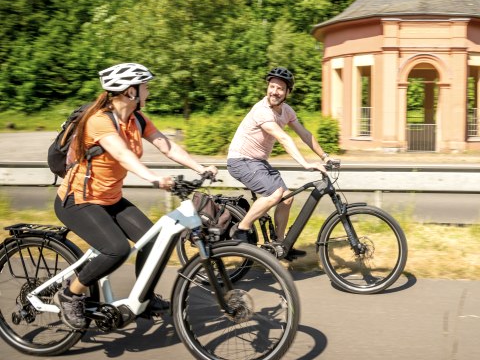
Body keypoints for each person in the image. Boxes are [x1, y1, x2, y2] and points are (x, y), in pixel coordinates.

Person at [53, 62, 217, 330]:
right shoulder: (98, 121)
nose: (149, 91)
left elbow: (168, 146)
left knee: (153, 242)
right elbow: (122, 154)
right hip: (77, 201)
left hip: (110, 199)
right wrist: (153, 178)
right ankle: (71, 294)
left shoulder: (137, 120)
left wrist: (201, 168)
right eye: (145, 87)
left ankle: (143, 298)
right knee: (117, 249)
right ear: (131, 92)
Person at [227, 66, 334, 257]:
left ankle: (280, 245)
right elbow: (284, 138)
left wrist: (324, 156)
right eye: (272, 86)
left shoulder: (286, 111)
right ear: (267, 87)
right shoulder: (262, 111)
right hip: (241, 160)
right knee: (275, 194)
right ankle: (241, 229)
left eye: (280, 88)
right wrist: (306, 163)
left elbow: (305, 135)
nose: (274, 92)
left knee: (286, 198)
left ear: (287, 93)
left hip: (258, 162)